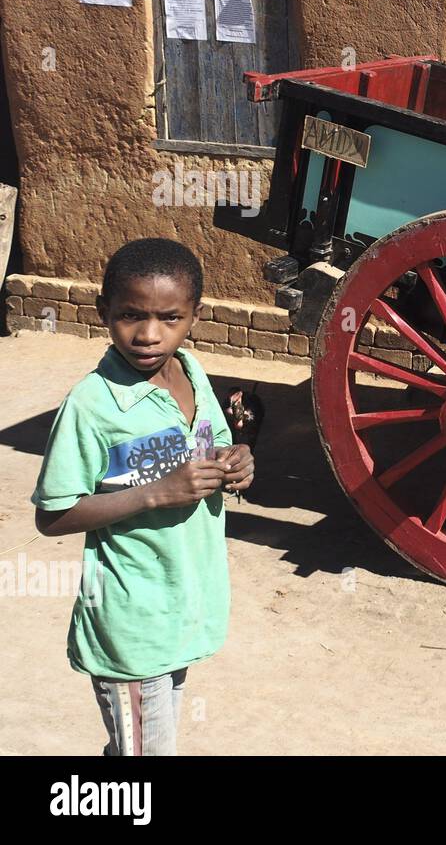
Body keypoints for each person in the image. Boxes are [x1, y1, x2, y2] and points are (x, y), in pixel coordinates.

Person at [31, 238, 254, 755]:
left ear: (195, 316)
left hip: (181, 608)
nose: (149, 335)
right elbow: (55, 514)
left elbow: (215, 445)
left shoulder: (191, 374)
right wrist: (156, 494)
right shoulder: (91, 405)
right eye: (131, 315)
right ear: (103, 311)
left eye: (169, 318)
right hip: (130, 623)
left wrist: (237, 461)